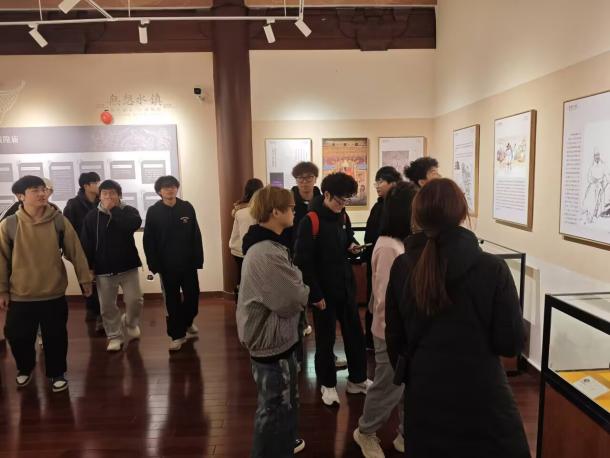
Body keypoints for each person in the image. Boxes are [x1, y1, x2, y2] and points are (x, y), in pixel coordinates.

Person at [385, 178, 530, 458]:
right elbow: (509, 343)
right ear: (462, 213)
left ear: (418, 216)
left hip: (425, 390)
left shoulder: (403, 266)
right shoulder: (492, 268)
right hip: (483, 392)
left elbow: (395, 338)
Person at [0, 176, 93, 392]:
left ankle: (56, 372)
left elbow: (75, 251)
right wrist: (2, 290)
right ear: (21, 196)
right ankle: (25, 368)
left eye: (43, 189)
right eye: (35, 190)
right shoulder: (9, 224)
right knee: (17, 336)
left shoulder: (58, 221)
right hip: (20, 294)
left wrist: (85, 279)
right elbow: (1, 260)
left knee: (55, 337)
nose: (42, 194)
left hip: (53, 292)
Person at [236, 186, 309, 457]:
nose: (294, 212)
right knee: (274, 406)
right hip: (270, 340)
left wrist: (297, 282)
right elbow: (292, 299)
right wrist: (303, 286)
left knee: (283, 402)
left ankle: (286, 443)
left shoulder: (271, 245)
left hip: (276, 336)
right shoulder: (266, 252)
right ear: (275, 212)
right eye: (290, 208)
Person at [293, 172, 370, 406]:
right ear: (326, 194)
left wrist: (352, 247)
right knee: (325, 341)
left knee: (355, 336)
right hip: (323, 292)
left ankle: (357, 379)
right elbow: (303, 262)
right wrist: (315, 295)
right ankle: (327, 385)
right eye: (340, 199)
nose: (343, 204)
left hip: (346, 287)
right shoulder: (311, 221)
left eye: (347, 200)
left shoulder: (343, 216)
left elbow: (347, 240)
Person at [353, 181, 417, 458]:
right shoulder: (390, 246)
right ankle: (366, 431)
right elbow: (383, 299)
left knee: (406, 385)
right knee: (388, 386)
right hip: (389, 331)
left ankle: (406, 434)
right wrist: (396, 334)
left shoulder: (401, 243)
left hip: (404, 330)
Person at [80, 179, 144, 352]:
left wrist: (113, 210)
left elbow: (132, 225)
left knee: (135, 300)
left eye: (112, 193)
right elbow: (86, 243)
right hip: (103, 270)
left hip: (128, 266)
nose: (108, 196)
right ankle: (114, 336)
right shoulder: (92, 217)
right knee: (107, 306)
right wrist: (89, 268)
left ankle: (130, 323)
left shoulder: (128, 211)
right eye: (105, 193)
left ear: (119, 195)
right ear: (99, 196)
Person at [143, 175, 204, 352]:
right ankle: (177, 335)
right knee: (172, 301)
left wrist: (198, 259)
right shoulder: (153, 211)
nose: (170, 190)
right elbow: (149, 240)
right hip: (166, 266)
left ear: (177, 188)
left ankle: (187, 321)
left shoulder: (186, 207)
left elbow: (195, 235)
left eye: (172, 186)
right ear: (159, 191)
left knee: (193, 297)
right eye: (165, 187)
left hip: (188, 264)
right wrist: (153, 264)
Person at [363, 166, 402, 350]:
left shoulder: (394, 207)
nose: (377, 186)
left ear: (393, 183)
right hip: (375, 257)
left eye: (381, 181)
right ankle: (371, 340)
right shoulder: (378, 205)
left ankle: (379, 338)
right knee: (373, 297)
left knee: (383, 297)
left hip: (387, 258)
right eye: (376, 182)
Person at [64, 172, 102, 331]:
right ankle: (94, 310)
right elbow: (67, 228)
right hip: (81, 250)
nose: (99, 185)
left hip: (101, 249)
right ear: (86, 186)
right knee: (86, 281)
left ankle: (99, 312)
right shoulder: (73, 204)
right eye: (96, 182)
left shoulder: (102, 201)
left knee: (102, 282)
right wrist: (70, 251)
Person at [229, 178, 264, 291]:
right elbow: (246, 238)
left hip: (239, 251)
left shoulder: (240, 208)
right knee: (248, 283)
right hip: (245, 251)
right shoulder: (248, 212)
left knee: (243, 280)